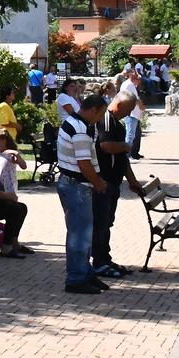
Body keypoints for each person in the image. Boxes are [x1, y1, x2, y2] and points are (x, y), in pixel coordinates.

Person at [57, 93, 110, 294]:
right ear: (93, 110)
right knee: (79, 235)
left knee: (83, 234)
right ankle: (76, 279)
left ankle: (85, 273)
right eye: (100, 114)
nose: (100, 119)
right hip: (77, 186)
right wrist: (98, 183)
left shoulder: (77, 123)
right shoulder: (79, 128)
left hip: (74, 184)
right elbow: (84, 163)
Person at [92, 93, 144, 278]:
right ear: (120, 105)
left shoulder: (116, 122)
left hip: (113, 181)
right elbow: (106, 146)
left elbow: (122, 159)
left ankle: (105, 259)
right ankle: (99, 262)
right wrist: (126, 146)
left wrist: (132, 180)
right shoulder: (106, 119)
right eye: (128, 109)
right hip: (104, 181)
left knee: (107, 222)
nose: (129, 114)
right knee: (100, 224)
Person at [120, 66, 146, 158]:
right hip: (131, 113)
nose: (139, 82)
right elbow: (133, 99)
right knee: (130, 135)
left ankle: (134, 153)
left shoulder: (130, 85)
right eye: (137, 79)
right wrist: (141, 106)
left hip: (134, 113)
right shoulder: (128, 85)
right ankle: (127, 155)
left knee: (136, 134)